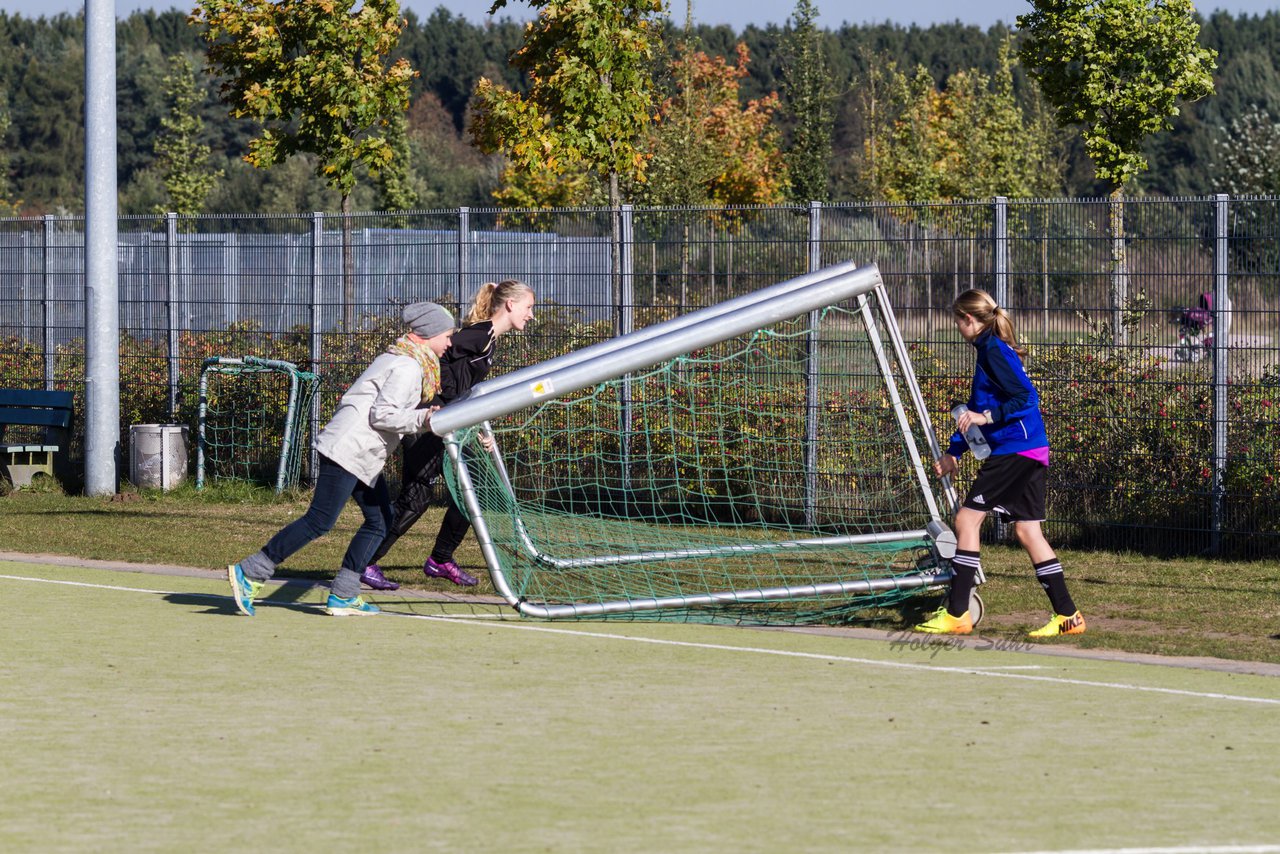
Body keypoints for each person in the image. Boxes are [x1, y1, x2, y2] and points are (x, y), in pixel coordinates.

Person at [226, 301, 456, 617]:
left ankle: (344, 594)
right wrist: (424, 419)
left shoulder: (402, 358)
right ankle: (250, 571)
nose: (449, 343)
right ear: (429, 333)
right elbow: (384, 415)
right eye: (447, 335)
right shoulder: (408, 367)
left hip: (362, 454)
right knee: (320, 521)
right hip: (349, 449)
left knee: (381, 521)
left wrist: (422, 416)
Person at [916, 288, 1086, 639]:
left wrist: (987, 416)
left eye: (957, 322)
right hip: (1029, 450)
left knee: (966, 519)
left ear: (968, 319)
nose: (957, 329)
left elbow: (1026, 397)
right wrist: (955, 452)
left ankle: (957, 613)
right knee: (1027, 530)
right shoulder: (988, 351)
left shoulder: (993, 350)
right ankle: (1068, 616)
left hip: (1016, 451)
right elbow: (972, 411)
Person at [359, 279, 537, 591]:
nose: (531, 315)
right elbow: (441, 354)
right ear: (510, 305)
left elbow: (465, 386)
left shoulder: (488, 338)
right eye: (529, 307)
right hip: (432, 423)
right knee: (416, 498)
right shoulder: (479, 334)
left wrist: (478, 423)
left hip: (451, 423)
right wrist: (440, 405)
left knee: (477, 489)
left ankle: (440, 558)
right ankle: (365, 562)